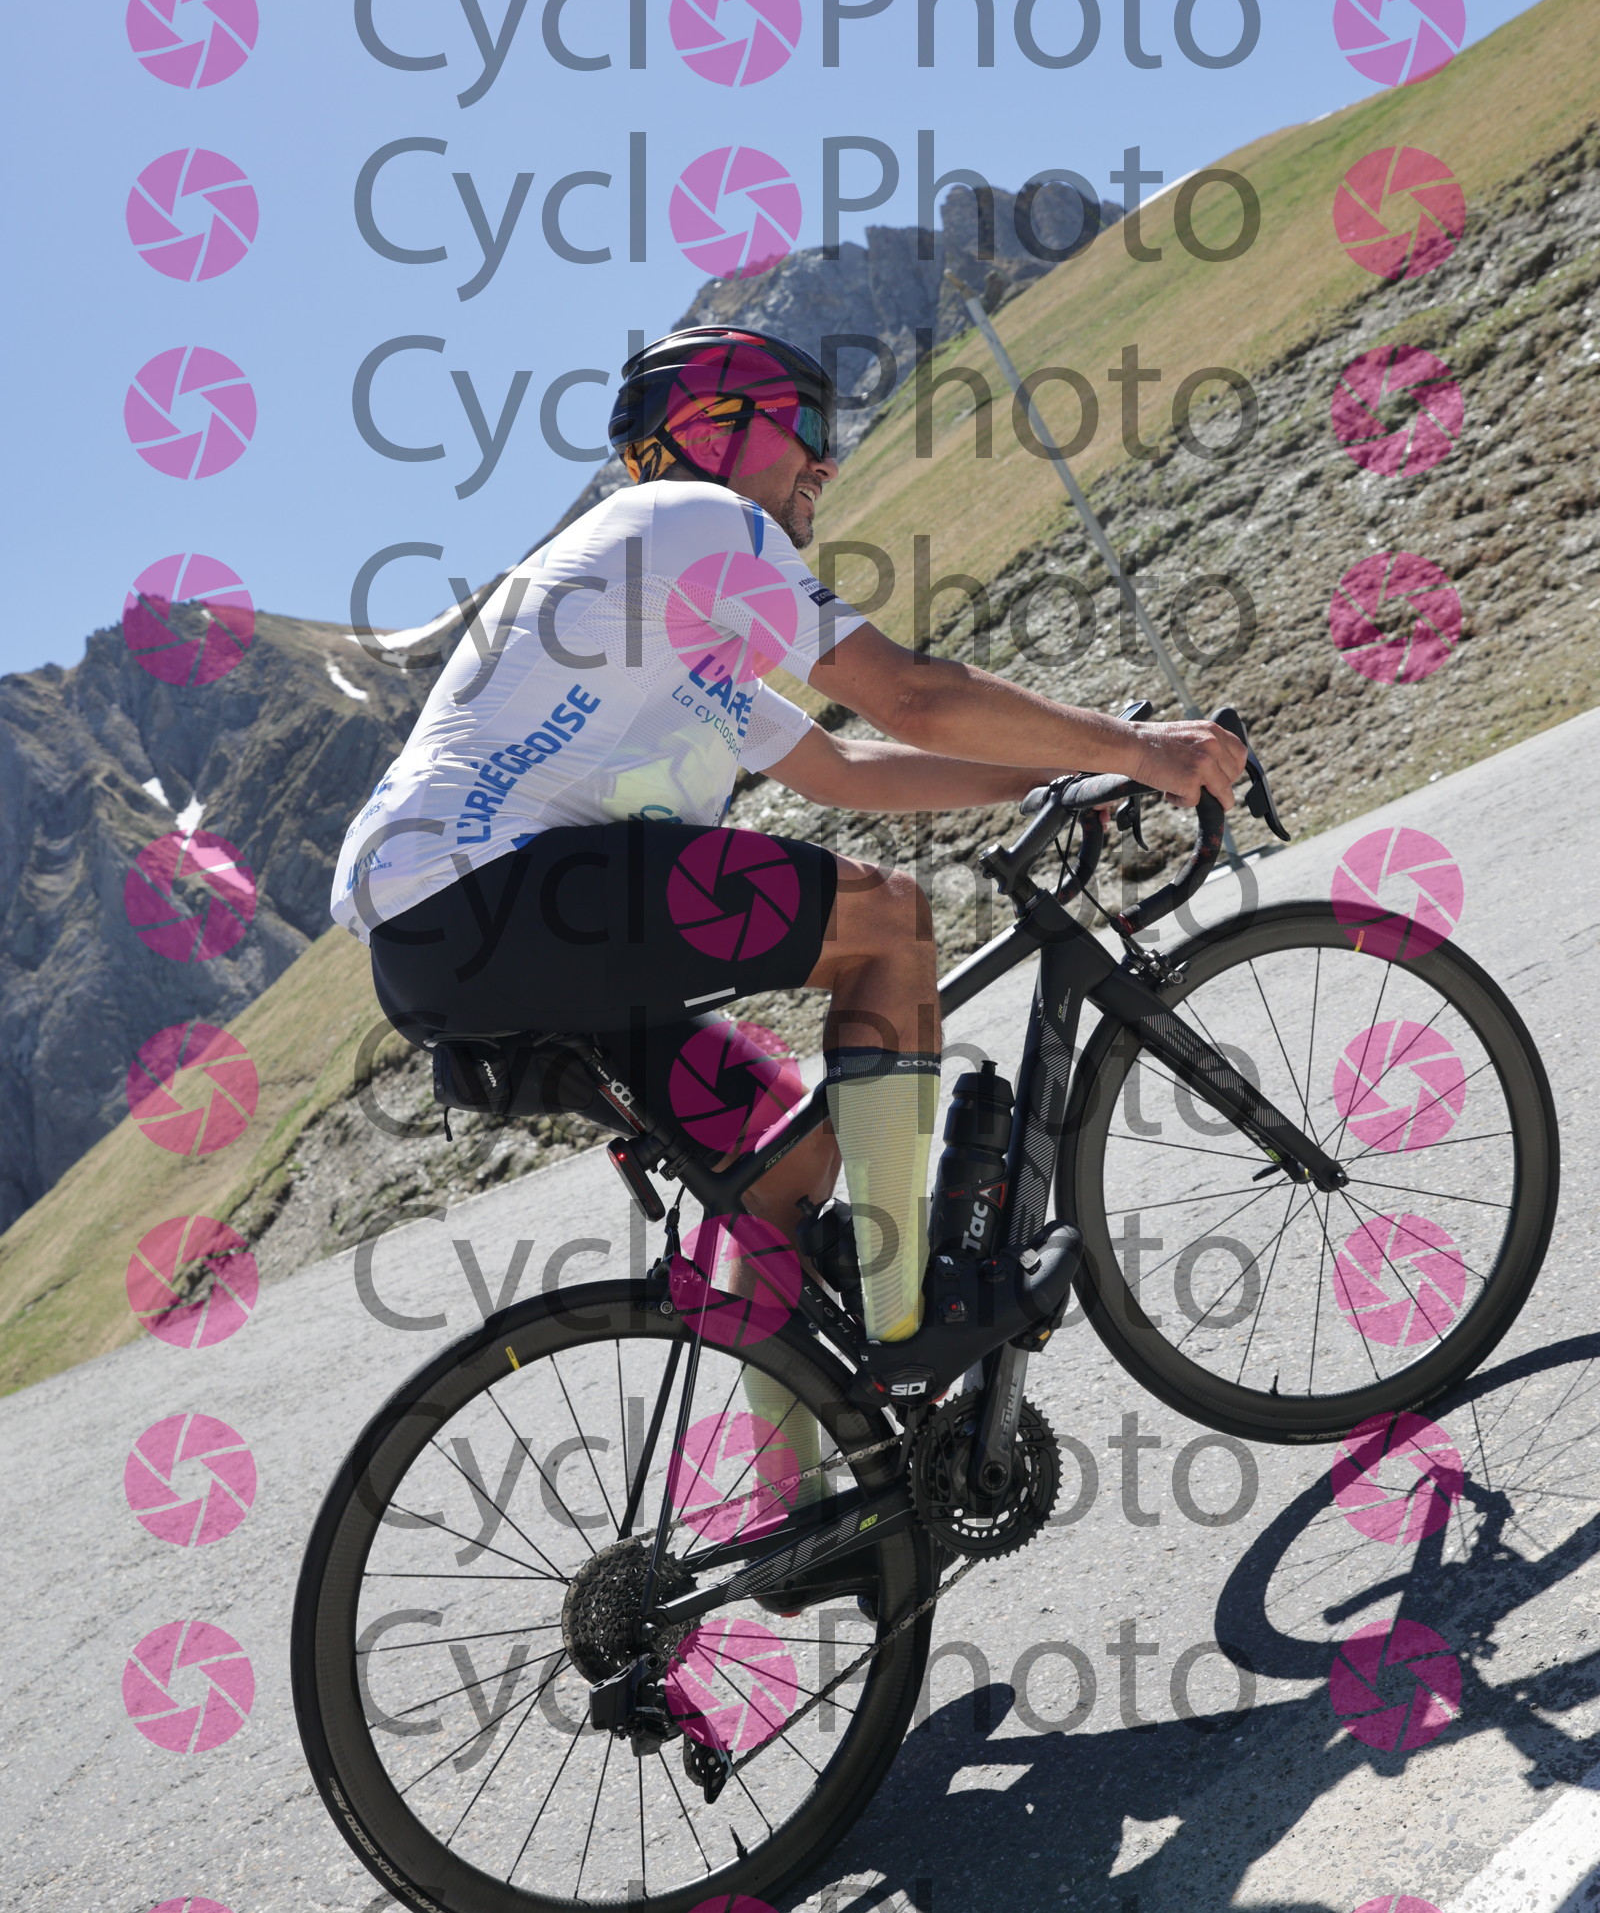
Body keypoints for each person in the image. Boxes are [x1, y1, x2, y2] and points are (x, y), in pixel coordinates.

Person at [332, 325, 1245, 1409]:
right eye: (806, 426)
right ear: (713, 430)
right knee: (889, 921)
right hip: (492, 893)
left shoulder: (664, 608)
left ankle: (797, 1490)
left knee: (780, 1150)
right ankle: (908, 1314)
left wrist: (1054, 776)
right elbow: (907, 696)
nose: (828, 459)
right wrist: (1137, 748)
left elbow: (843, 767)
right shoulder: (694, 519)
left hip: (443, 943)